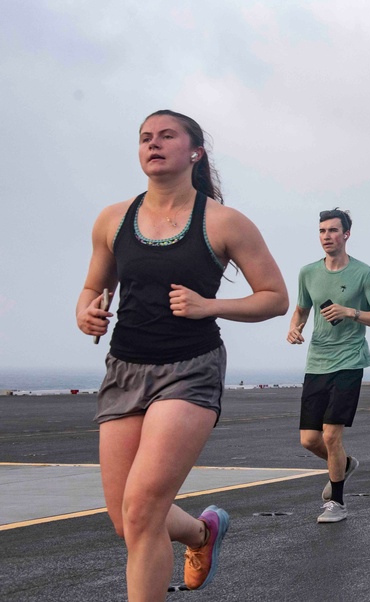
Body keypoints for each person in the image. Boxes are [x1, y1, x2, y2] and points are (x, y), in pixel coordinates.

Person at [75, 109, 288, 600]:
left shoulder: (223, 222)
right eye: (146, 137)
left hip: (190, 369)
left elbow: (274, 297)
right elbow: (93, 286)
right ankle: (202, 533)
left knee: (143, 510)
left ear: (195, 152)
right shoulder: (113, 218)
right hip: (124, 368)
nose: (154, 143)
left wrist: (208, 305)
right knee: (124, 519)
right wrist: (87, 312)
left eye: (167, 136)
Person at [287, 208, 370, 523]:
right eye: (322, 231)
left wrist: (351, 312)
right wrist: (295, 327)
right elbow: (301, 309)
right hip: (317, 361)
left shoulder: (364, 274)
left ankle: (337, 504)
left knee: (332, 436)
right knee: (309, 439)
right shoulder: (308, 272)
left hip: (349, 360)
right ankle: (343, 465)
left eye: (333, 230)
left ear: (346, 234)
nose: (327, 237)